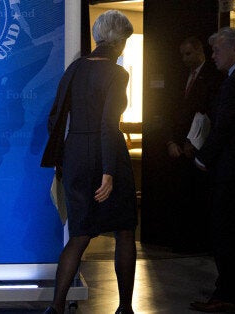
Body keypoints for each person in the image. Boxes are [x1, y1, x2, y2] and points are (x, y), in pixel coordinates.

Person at [40, 10, 137, 314]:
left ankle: (55, 307)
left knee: (80, 234)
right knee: (124, 231)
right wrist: (108, 171)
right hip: (108, 155)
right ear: (120, 41)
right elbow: (110, 124)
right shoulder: (117, 73)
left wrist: (62, 159)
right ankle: (123, 308)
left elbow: (55, 117)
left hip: (75, 154)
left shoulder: (75, 69)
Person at [190, 27, 235, 313]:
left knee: (226, 232)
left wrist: (202, 157)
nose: (213, 55)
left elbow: (226, 128)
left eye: (218, 50)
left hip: (232, 171)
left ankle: (227, 294)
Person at [164, 36, 225, 253]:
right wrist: (172, 140)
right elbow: (173, 111)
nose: (184, 59)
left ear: (200, 52)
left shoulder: (213, 76)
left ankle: (198, 242)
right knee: (180, 195)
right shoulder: (183, 77)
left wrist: (194, 141)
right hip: (180, 144)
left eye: (188, 53)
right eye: (182, 54)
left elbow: (208, 112)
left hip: (199, 146)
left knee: (198, 196)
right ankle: (181, 240)